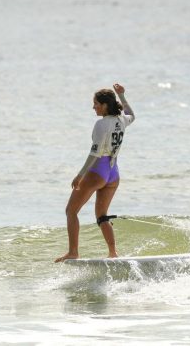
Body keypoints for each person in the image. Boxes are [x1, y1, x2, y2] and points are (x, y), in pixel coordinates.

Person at [55, 83, 135, 262]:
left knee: (71, 211)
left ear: (105, 105)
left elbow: (95, 153)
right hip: (114, 172)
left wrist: (81, 174)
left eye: (96, 104)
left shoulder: (101, 124)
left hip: (98, 170)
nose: (94, 107)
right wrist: (122, 95)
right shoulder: (121, 120)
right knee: (102, 215)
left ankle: (73, 252)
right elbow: (132, 115)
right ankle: (113, 253)